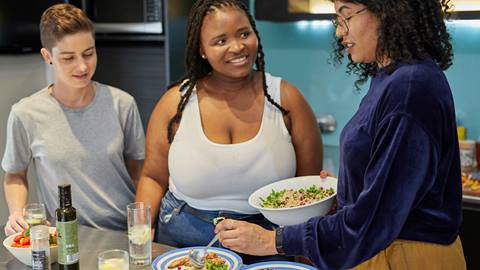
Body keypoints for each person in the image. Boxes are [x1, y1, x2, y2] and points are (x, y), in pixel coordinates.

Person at [214, 0, 467, 269]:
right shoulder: (392, 77)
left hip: (405, 257)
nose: (339, 32)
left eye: (346, 16)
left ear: (388, 11)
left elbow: (373, 221)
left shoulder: (410, 89)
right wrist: (349, 186)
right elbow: (389, 184)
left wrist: (271, 241)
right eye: (337, 19)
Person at [135, 0, 322, 264]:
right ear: (202, 50)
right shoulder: (174, 103)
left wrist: (305, 248)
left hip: (268, 241)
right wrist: (140, 233)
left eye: (244, 34)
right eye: (220, 40)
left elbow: (309, 185)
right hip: (184, 245)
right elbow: (153, 177)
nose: (237, 47)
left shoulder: (286, 99)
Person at [2, 3, 145, 234]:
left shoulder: (123, 103)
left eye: (89, 53)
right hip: (66, 236)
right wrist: (17, 212)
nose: (82, 66)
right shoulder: (25, 114)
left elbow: (140, 171)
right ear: (47, 56)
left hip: (123, 233)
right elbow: (15, 174)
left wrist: (143, 222)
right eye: (68, 58)